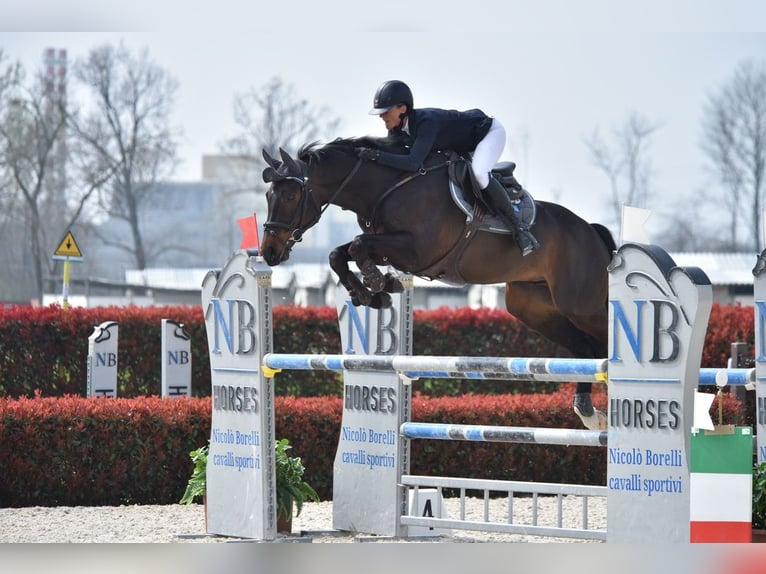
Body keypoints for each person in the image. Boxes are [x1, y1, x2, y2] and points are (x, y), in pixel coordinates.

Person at [358, 80, 539, 256]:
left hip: (488, 133)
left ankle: (519, 229)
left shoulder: (424, 122)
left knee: (479, 174)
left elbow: (413, 163)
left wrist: (376, 156)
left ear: (402, 109)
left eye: (385, 111)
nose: (381, 116)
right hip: (463, 145)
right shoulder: (397, 129)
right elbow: (394, 156)